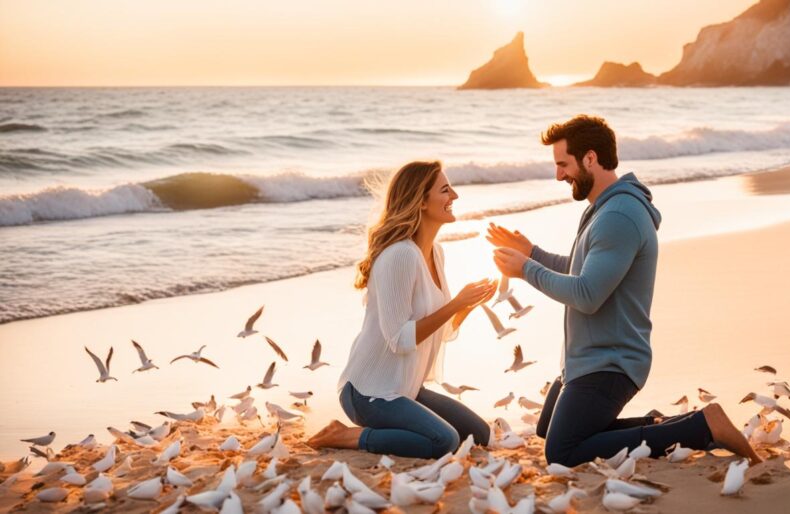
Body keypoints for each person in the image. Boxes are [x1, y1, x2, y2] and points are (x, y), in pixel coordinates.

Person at [489, 115, 761, 466]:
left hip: (611, 363)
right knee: (547, 430)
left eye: (563, 164)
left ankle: (701, 427)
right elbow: (581, 270)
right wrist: (534, 254)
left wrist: (526, 270)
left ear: (590, 158)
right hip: (587, 358)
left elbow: (587, 295)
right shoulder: (604, 209)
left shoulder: (619, 215)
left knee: (562, 452)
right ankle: (675, 425)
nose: (558, 175)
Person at [307, 160, 495, 458]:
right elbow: (400, 339)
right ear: (420, 201)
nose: (455, 196)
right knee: (443, 441)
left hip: (404, 388)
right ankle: (347, 435)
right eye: (445, 190)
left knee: (478, 434)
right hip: (369, 392)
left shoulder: (436, 253)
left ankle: (388, 428)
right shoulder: (400, 255)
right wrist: (456, 302)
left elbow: (440, 332)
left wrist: (468, 305)